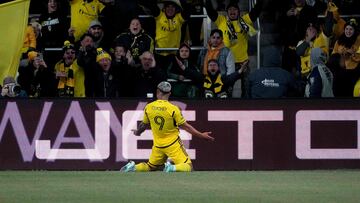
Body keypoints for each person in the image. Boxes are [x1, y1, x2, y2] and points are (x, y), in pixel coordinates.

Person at [121, 81, 215, 172]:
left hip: (158, 145)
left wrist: (137, 132)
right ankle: (172, 168)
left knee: (151, 166)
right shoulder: (173, 109)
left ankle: (134, 167)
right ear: (169, 93)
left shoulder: (149, 107)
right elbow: (186, 127)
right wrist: (201, 135)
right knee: (189, 167)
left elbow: (143, 125)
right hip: (172, 144)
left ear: (157, 92)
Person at [331, 18, 360, 96]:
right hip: (340, 68)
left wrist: (352, 54)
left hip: (354, 69)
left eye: (351, 29)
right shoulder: (339, 41)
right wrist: (341, 56)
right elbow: (334, 55)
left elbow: (358, 57)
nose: (348, 31)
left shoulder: (358, 41)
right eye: (347, 29)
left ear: (355, 31)